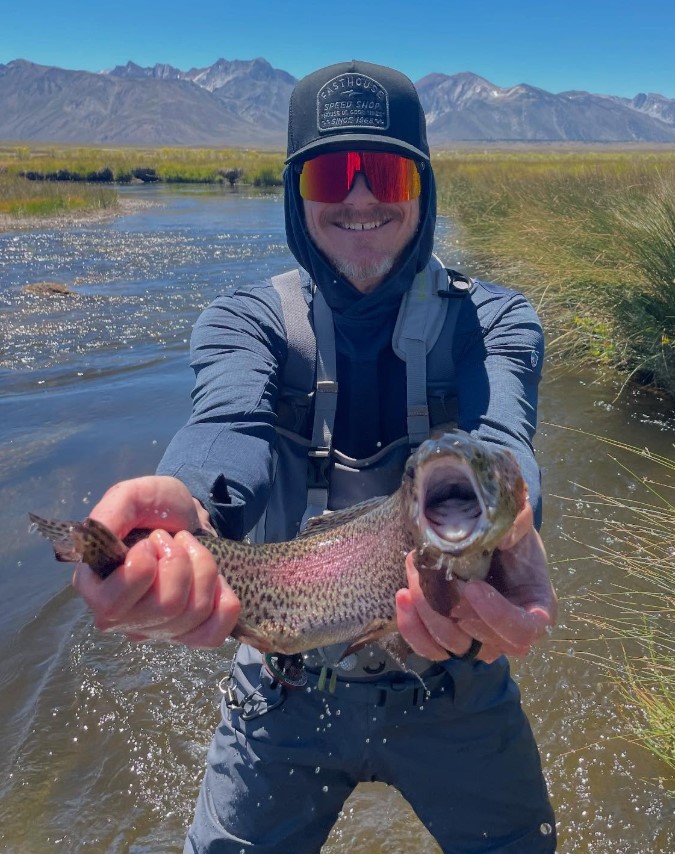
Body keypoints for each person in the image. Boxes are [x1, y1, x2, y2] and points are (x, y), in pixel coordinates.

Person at [74, 60, 558, 853]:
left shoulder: (497, 321)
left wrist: (516, 529)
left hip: (458, 677)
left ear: (423, 189)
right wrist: (184, 506)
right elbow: (227, 427)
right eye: (331, 174)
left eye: (387, 173)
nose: (360, 199)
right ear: (296, 195)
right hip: (283, 687)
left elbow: (503, 437)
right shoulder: (243, 321)